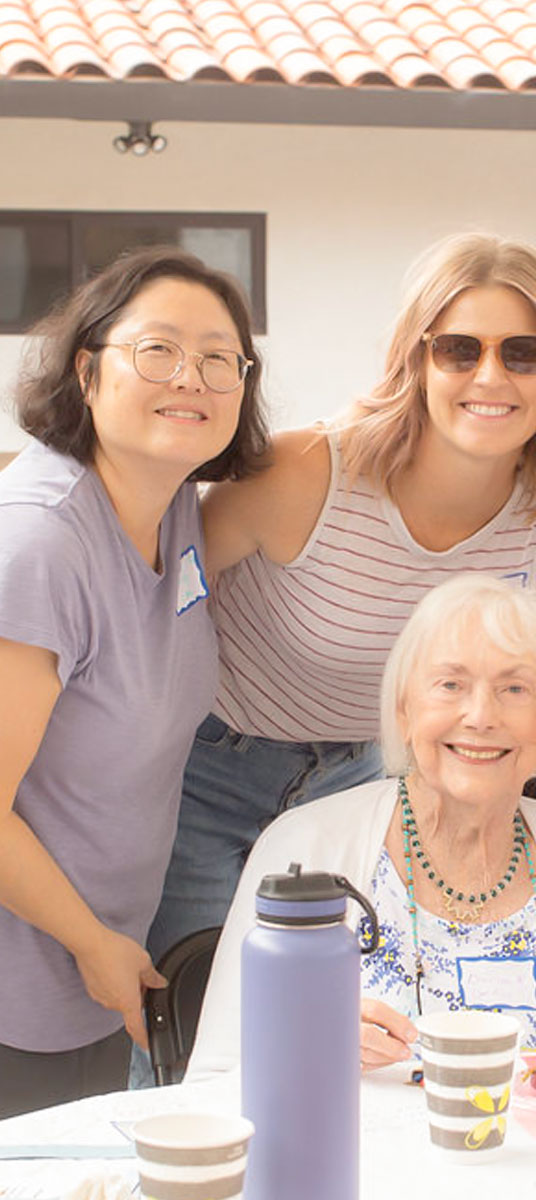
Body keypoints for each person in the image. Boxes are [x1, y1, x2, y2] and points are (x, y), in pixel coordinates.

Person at [149, 232, 536, 960]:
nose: (491, 376)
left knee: (337, 1013)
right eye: (460, 349)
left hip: (364, 777)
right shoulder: (305, 471)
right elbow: (152, 591)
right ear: (416, 359)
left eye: (523, 352)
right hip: (207, 769)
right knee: (189, 1009)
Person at [0, 247, 268, 1116]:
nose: (189, 376)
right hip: (29, 969)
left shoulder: (172, 502)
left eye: (219, 357)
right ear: (86, 369)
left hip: (91, 961)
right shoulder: (41, 546)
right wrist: (93, 943)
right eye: (157, 349)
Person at [187, 575, 536, 1078]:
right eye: (451, 685)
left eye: (514, 688)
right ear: (405, 710)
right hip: (346, 1154)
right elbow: (214, 1079)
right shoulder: (303, 850)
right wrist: (305, 1053)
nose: (480, 715)